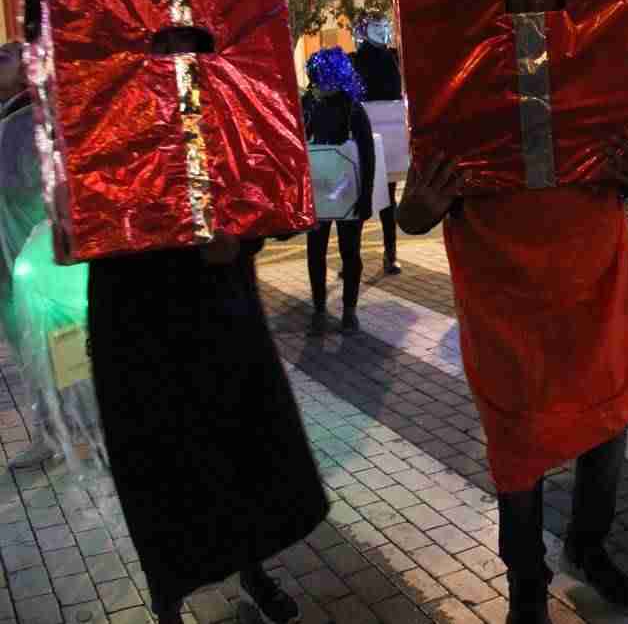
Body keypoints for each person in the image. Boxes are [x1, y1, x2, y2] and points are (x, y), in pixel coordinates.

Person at [397, 133, 628, 624]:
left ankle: (587, 547)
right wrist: (417, 208)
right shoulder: (454, 68)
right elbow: (415, 211)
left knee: (607, 419)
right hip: (502, 294)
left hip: (595, 285)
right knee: (516, 442)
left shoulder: (599, 60)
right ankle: (526, 582)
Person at [89, 233, 329, 624]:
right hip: (134, 305)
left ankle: (253, 570)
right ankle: (167, 600)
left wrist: (248, 231)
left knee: (240, 450)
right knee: (156, 461)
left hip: (219, 294)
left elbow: (251, 187)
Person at [0, 41, 57, 469]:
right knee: (34, 354)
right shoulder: (12, 118)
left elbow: (25, 186)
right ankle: (53, 431)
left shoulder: (29, 119)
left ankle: (68, 432)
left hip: (32, 261)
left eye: (6, 56)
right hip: (12, 261)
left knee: (54, 350)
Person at [303, 48, 376, 336]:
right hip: (319, 191)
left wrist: (366, 196)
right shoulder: (307, 102)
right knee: (315, 252)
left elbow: (368, 154)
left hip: (348, 191)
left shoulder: (352, 107)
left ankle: (349, 310)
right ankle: (319, 310)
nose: (316, 81)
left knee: (350, 252)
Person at [350, 14, 407, 273]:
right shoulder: (357, 60)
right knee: (367, 195)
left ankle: (387, 254)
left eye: (384, 28)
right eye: (377, 28)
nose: (383, 33)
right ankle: (356, 257)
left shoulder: (393, 56)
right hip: (368, 128)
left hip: (386, 130)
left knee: (382, 197)